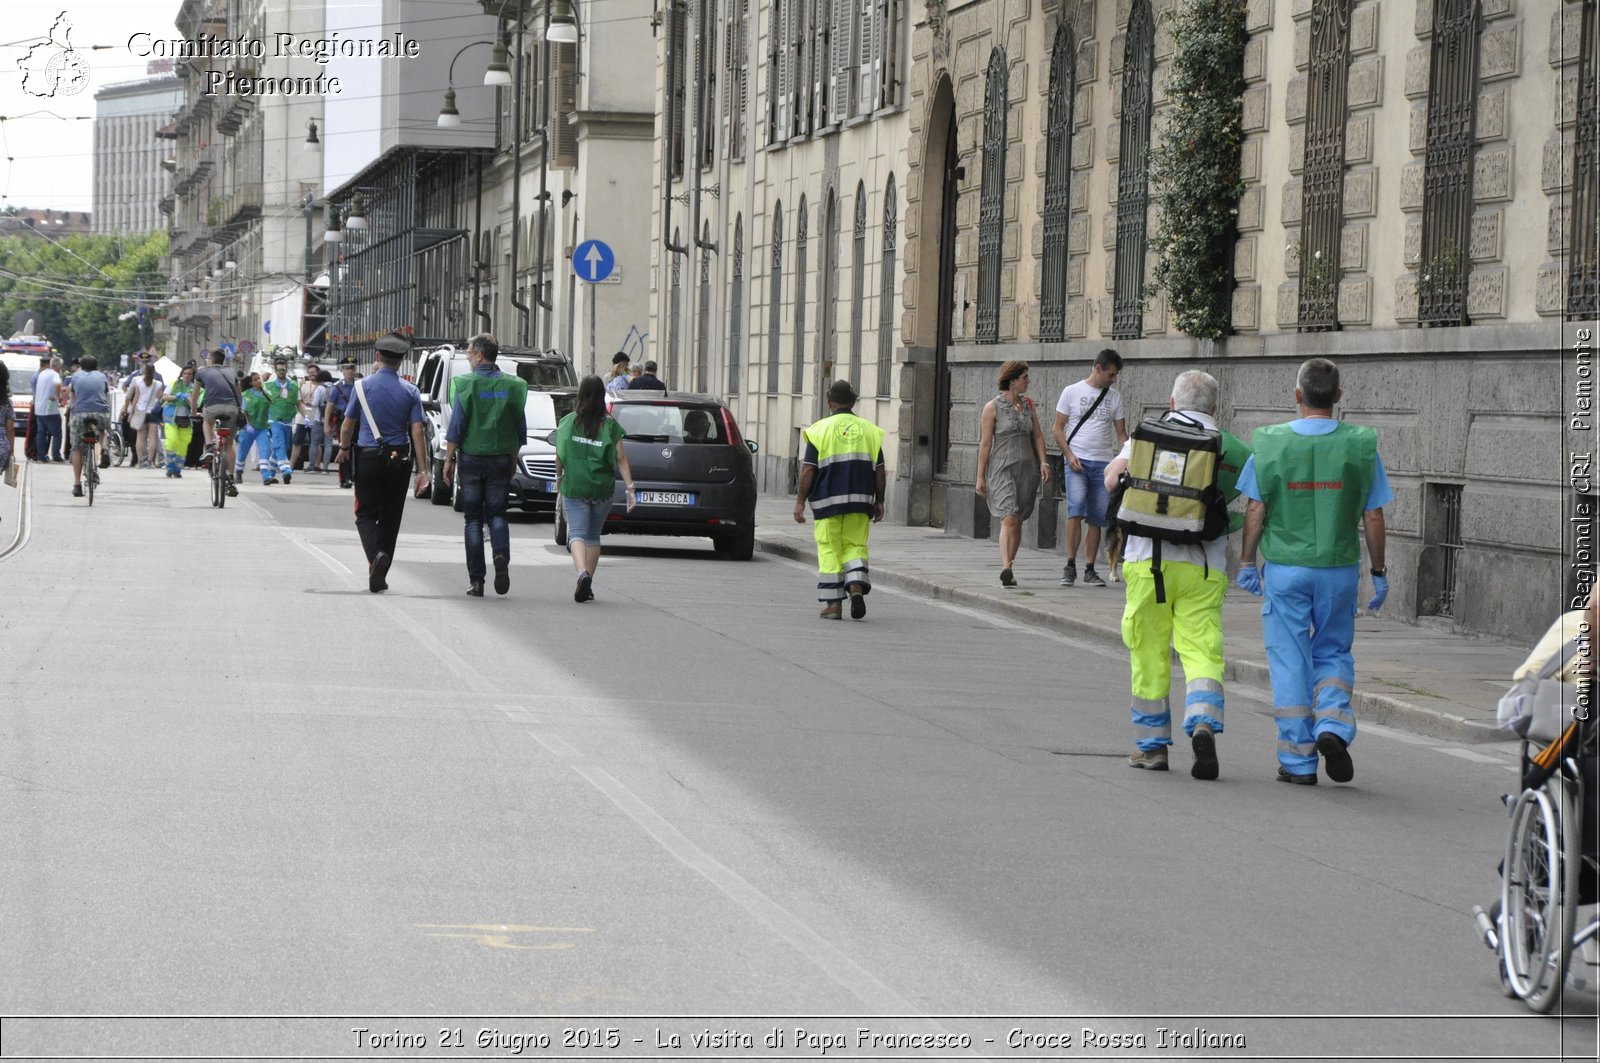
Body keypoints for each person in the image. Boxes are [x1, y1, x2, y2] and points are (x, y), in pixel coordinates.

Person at [1235, 357, 1393, 786]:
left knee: (1289, 660)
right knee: (1334, 651)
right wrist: (1378, 570)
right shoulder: (1360, 445)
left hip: (1286, 569)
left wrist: (1247, 561)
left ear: (1298, 395)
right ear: (1338, 396)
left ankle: (1299, 761)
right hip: (1338, 569)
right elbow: (1373, 515)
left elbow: (1255, 508)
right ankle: (1333, 726)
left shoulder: (1269, 443)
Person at [1103, 370, 1251, 778]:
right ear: (1215, 408)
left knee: (1148, 652)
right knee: (1202, 649)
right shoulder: (1234, 449)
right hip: (1203, 567)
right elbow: (1249, 502)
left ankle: (1152, 748)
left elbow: (1111, 478)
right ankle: (1203, 721)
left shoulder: (1147, 436)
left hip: (1148, 562)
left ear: (1172, 403)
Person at [334, 331, 429, 593]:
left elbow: (347, 425)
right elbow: (417, 431)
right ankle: (381, 571)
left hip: (368, 455)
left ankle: (375, 557)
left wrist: (343, 448)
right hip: (399, 458)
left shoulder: (361, 387)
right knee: (391, 516)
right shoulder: (411, 390)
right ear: (401, 360)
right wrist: (423, 470)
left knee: (364, 513)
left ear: (378, 356)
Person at [793, 379, 887, 620]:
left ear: (829, 403)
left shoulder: (818, 430)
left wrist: (800, 502)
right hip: (860, 503)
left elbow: (808, 470)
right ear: (853, 402)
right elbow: (879, 470)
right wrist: (880, 501)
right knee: (855, 546)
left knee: (829, 550)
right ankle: (855, 585)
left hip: (827, 503)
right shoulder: (870, 431)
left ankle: (833, 604)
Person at [443, 333, 528, 597]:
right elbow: (518, 426)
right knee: (498, 515)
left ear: (479, 355)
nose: (468, 357)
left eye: (469, 353)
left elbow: (456, 427)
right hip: (501, 457)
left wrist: (448, 459)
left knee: (472, 520)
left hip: (470, 458)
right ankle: (501, 556)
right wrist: (513, 456)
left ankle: (477, 581)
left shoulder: (465, 384)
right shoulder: (514, 386)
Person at [554, 374, 635, 603]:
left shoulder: (568, 422)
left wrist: (558, 478)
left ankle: (582, 574)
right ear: (602, 397)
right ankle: (587, 584)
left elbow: (560, 455)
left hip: (575, 486)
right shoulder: (610, 426)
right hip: (601, 489)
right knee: (593, 535)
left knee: (577, 534)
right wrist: (630, 488)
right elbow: (621, 458)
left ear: (581, 395)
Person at [1053, 348, 1127, 588]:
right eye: (1111, 374)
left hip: (1104, 463)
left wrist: (1125, 458)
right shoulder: (1071, 392)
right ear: (1098, 368)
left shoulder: (1114, 397)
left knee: (1097, 517)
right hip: (1077, 461)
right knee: (1075, 510)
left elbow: (1121, 434)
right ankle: (1070, 565)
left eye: (1115, 375)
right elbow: (1057, 428)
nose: (1113, 379)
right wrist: (1069, 454)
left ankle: (1090, 568)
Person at [976, 360, 1050, 587]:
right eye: (1025, 377)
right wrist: (980, 476)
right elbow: (986, 443)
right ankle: (1006, 566)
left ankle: (1010, 564)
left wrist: (1044, 463)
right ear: (1013, 380)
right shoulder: (992, 407)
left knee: (1017, 520)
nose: (1028, 381)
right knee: (1008, 517)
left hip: (1026, 468)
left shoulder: (1028, 405)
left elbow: (1037, 435)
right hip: (1001, 468)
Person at [195, 349, 242, 497]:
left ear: (210, 359)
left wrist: (192, 412)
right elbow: (238, 394)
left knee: (206, 421)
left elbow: (195, 395)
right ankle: (231, 478)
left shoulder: (202, 372)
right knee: (229, 444)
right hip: (231, 408)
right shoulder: (231, 371)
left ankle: (209, 447)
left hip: (212, 407)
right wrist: (239, 408)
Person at [64, 355, 112, 498]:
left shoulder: (76, 376)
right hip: (100, 413)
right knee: (104, 432)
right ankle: (104, 450)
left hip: (80, 413)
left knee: (77, 448)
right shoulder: (102, 376)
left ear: (81, 365)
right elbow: (105, 393)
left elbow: (73, 399)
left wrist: (71, 416)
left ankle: (77, 484)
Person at [263, 358, 299, 484]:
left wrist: (305, 417)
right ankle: (285, 469)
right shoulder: (268, 385)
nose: (281, 372)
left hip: (288, 421)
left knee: (281, 447)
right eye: (278, 369)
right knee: (280, 445)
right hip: (273, 420)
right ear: (275, 370)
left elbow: (298, 403)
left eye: (283, 369)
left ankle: (270, 472)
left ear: (286, 369)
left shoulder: (294, 386)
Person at [234, 372, 274, 485]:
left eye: (259, 379)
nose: (258, 381)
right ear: (251, 383)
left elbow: (273, 404)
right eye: (255, 380)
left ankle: (266, 476)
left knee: (264, 451)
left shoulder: (266, 393)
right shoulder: (246, 395)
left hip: (263, 427)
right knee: (242, 452)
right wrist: (247, 425)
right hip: (248, 428)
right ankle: (239, 472)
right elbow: (243, 411)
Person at [127, 359, 166, 468]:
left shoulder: (139, 382)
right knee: (152, 437)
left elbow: (136, 398)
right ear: (154, 372)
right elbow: (160, 399)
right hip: (153, 413)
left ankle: (141, 461)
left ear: (144, 371)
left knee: (140, 437)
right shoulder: (158, 383)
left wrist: (132, 412)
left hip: (141, 411)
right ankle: (150, 461)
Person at [324, 359, 358, 489]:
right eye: (347, 368)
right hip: (342, 421)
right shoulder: (337, 387)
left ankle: (356, 475)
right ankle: (345, 478)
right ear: (343, 370)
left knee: (358, 448)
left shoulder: (359, 385)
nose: (350, 371)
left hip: (357, 421)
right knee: (344, 447)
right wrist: (326, 424)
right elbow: (330, 406)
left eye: (352, 368)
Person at [160, 364, 198, 478]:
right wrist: (176, 397)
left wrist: (187, 399)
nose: (186, 376)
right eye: (185, 373)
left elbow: (195, 406)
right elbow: (164, 397)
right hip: (171, 417)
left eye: (189, 374)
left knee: (183, 444)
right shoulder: (174, 384)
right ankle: (169, 467)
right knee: (172, 441)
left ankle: (177, 469)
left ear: (192, 376)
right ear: (181, 374)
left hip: (186, 419)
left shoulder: (195, 388)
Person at [33, 355, 63, 463]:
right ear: (55, 366)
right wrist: (57, 396)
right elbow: (58, 384)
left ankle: (41, 455)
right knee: (57, 433)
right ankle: (56, 455)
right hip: (50, 410)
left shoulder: (42, 373)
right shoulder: (54, 374)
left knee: (41, 433)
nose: (60, 369)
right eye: (60, 367)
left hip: (39, 409)